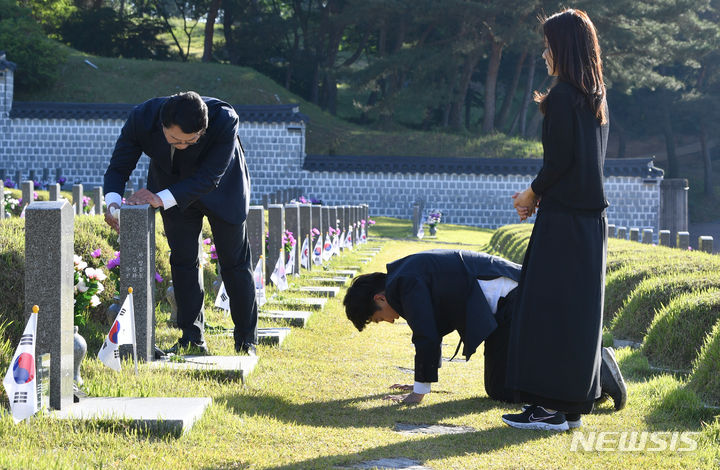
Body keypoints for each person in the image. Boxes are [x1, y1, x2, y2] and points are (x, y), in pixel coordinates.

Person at [343, 250, 626, 420]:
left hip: (514, 300)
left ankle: (595, 369)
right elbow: (430, 331)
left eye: (377, 318)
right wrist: (419, 385)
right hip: (501, 308)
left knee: (507, 389)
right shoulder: (402, 278)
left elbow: (426, 336)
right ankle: (591, 383)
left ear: (379, 298)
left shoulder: (402, 283)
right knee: (498, 388)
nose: (387, 321)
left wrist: (418, 393)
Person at [504, 9, 611, 431]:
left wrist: (531, 194)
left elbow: (559, 163)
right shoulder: (596, 95)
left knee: (546, 310)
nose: (544, 51)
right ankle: (567, 406)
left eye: (549, 43)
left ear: (563, 47)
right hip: (588, 225)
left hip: (564, 220)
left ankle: (547, 409)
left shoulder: (564, 96)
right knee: (576, 315)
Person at [103, 91, 257, 356]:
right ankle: (192, 336)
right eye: (175, 139)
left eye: (191, 140)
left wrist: (159, 199)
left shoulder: (225, 119)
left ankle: (246, 341)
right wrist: (113, 203)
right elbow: (119, 166)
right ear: (162, 125)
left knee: (234, 264)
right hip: (170, 187)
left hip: (222, 188)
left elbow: (210, 177)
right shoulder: (142, 118)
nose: (183, 145)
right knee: (184, 261)